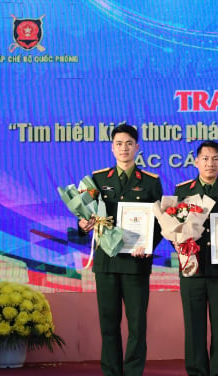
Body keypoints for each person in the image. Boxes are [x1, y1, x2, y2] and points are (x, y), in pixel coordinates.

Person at [78, 124, 163, 376]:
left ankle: (134, 372)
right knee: (109, 324)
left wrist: (147, 247)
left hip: (136, 263)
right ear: (111, 147)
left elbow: (159, 223)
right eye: (118, 143)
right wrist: (84, 224)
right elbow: (85, 215)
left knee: (137, 325)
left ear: (137, 147)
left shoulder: (150, 182)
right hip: (107, 262)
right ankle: (112, 372)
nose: (124, 148)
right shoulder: (97, 179)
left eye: (129, 143)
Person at [174, 140, 218, 376]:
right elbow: (174, 227)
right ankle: (196, 372)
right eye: (205, 158)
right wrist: (177, 242)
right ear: (196, 162)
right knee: (193, 328)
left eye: (215, 158)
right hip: (192, 268)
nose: (210, 163)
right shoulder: (183, 191)